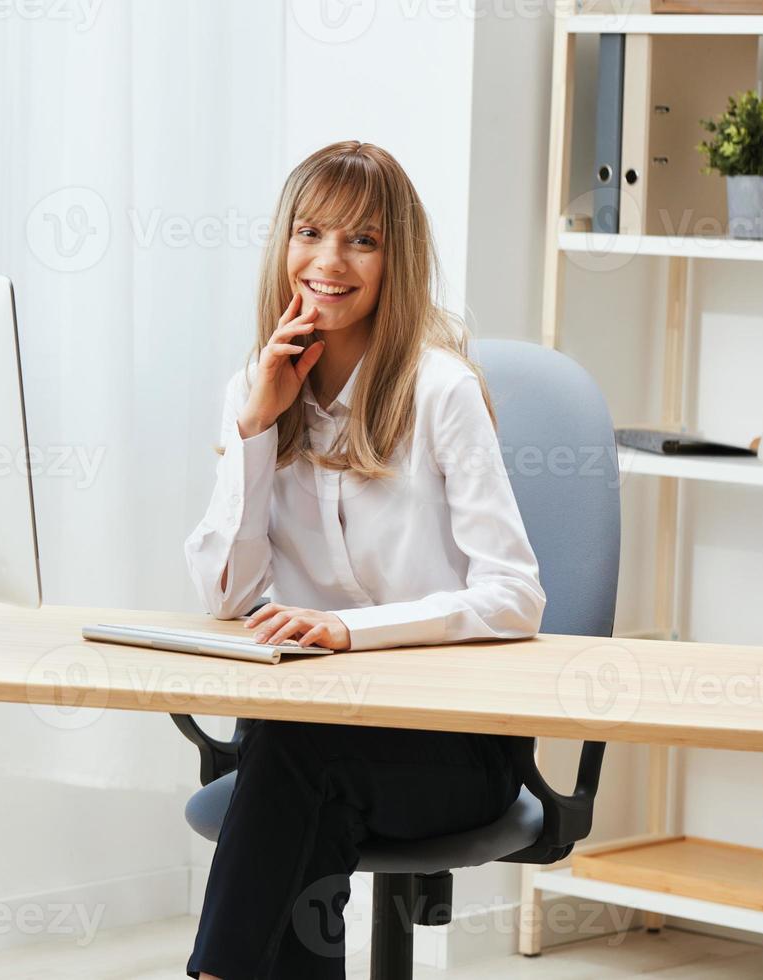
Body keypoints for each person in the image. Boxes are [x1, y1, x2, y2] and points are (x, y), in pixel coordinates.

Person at [184, 140, 547, 980]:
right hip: (308, 733)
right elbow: (225, 597)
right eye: (310, 233)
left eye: (363, 241)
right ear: (284, 245)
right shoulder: (256, 385)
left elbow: (515, 596)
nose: (330, 261)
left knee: (295, 761)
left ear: (397, 260)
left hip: (452, 743)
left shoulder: (440, 390)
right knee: (296, 756)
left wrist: (349, 630)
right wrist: (254, 435)